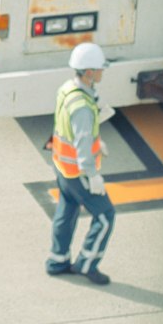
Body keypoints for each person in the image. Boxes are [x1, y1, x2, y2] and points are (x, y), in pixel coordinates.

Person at [45, 42, 114, 284]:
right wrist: (92, 175)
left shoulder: (68, 90)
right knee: (105, 215)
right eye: (99, 69)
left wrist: (98, 142)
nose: (102, 72)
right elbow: (83, 141)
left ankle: (57, 260)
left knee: (66, 211)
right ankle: (86, 264)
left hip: (63, 168)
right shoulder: (83, 107)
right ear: (88, 72)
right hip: (78, 172)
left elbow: (68, 129)